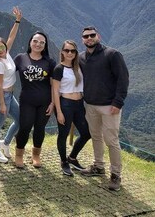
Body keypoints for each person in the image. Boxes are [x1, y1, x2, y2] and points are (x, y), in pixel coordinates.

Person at [79, 26, 129, 191]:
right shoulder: (81, 58)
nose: (89, 38)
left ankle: (115, 175)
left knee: (111, 140)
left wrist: (118, 102)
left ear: (98, 36)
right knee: (96, 137)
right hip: (91, 105)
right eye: (86, 36)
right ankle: (99, 166)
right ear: (83, 40)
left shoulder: (112, 55)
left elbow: (123, 78)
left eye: (92, 35)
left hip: (109, 106)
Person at [14, 31, 56, 168]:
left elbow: (54, 85)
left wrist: (53, 103)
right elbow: (8, 72)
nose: (38, 44)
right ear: (30, 42)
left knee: (39, 128)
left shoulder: (49, 62)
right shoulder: (21, 58)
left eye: (42, 42)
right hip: (27, 100)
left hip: (45, 101)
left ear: (45, 46)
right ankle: (19, 154)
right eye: (35, 41)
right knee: (25, 127)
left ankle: (36, 155)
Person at [52, 40, 91, 176]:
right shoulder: (59, 69)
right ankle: (64, 162)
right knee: (63, 134)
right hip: (65, 104)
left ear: (76, 53)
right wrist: (59, 112)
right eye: (67, 50)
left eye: (72, 51)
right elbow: (55, 92)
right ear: (62, 52)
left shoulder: (79, 67)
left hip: (79, 104)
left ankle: (72, 158)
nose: (69, 53)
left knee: (86, 133)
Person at [0, 7, 22, 163]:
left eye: (2, 46)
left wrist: (17, 20)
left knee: (20, 120)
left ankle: (5, 142)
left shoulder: (6, 54)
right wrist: (2, 103)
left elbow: (11, 36)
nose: (1, 49)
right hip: (2, 96)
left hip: (10, 95)